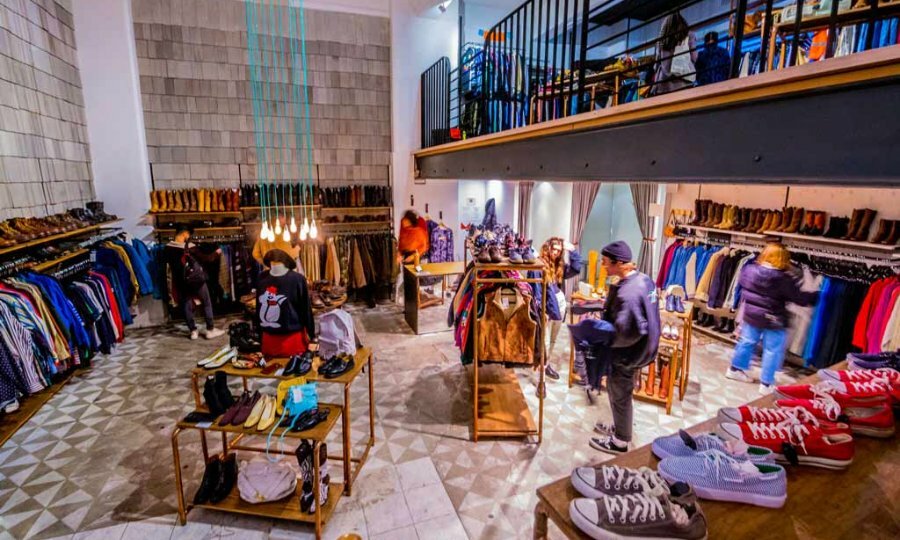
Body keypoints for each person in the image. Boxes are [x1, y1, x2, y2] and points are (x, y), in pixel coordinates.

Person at [590, 241, 661, 455]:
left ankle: (620, 441)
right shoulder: (644, 280)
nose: (603, 266)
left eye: (605, 262)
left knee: (619, 393)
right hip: (642, 349)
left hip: (626, 354)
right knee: (624, 392)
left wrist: (603, 340)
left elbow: (626, 332)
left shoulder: (628, 294)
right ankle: (622, 427)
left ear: (619, 263)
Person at [726, 243, 819, 393]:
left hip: (751, 313)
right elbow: (799, 298)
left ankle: (734, 369)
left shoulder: (749, 269)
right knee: (772, 350)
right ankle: (766, 384)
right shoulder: (782, 279)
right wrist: (817, 295)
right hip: (773, 317)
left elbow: (742, 285)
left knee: (747, 342)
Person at [532, 237, 584, 380]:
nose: (555, 253)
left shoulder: (559, 266)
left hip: (560, 308)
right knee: (545, 343)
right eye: (553, 249)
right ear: (547, 247)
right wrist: (542, 311)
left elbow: (576, 268)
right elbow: (536, 292)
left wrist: (572, 250)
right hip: (548, 310)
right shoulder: (538, 265)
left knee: (553, 340)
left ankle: (546, 365)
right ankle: (541, 378)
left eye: (559, 251)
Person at [163, 227, 225, 340]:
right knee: (206, 302)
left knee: (186, 304)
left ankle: (193, 331)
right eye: (188, 235)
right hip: (196, 281)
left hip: (181, 281)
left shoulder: (167, 248)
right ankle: (210, 330)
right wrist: (217, 253)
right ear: (185, 234)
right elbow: (207, 259)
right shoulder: (190, 247)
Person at [256, 249, 316, 357]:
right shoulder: (262, 278)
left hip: (292, 341)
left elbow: (306, 309)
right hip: (268, 341)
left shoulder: (298, 279)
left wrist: (311, 335)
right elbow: (258, 308)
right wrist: (258, 335)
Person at [650, 11, 698, 96]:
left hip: (663, 85)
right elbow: (694, 57)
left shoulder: (662, 40)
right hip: (683, 83)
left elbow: (657, 64)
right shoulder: (689, 35)